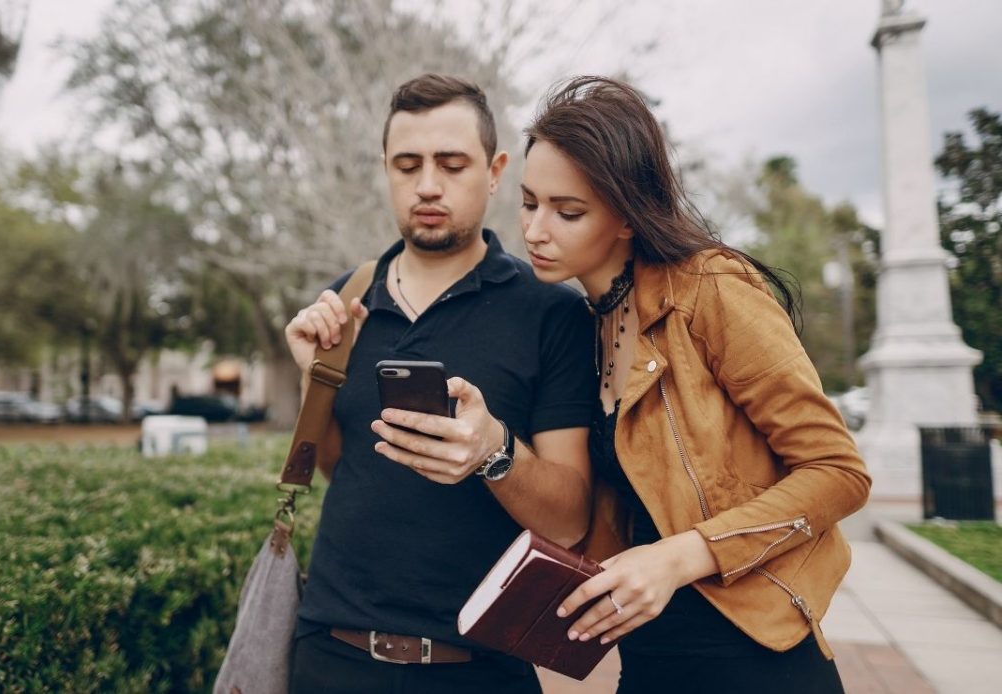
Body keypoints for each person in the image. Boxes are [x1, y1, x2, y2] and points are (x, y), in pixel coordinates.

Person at [372, 76, 872, 693]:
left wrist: (681, 556)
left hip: (756, 656)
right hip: (649, 657)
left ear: (628, 217)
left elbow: (839, 472)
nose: (535, 231)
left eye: (568, 212)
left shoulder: (709, 293)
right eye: (529, 204)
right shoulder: (586, 327)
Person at [282, 73, 598, 694]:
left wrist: (495, 452)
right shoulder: (349, 298)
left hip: (479, 668)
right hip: (332, 656)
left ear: (495, 170)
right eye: (408, 165)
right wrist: (311, 380)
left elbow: (570, 519)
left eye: (452, 165)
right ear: (386, 170)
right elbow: (340, 469)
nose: (427, 185)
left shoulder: (550, 312)